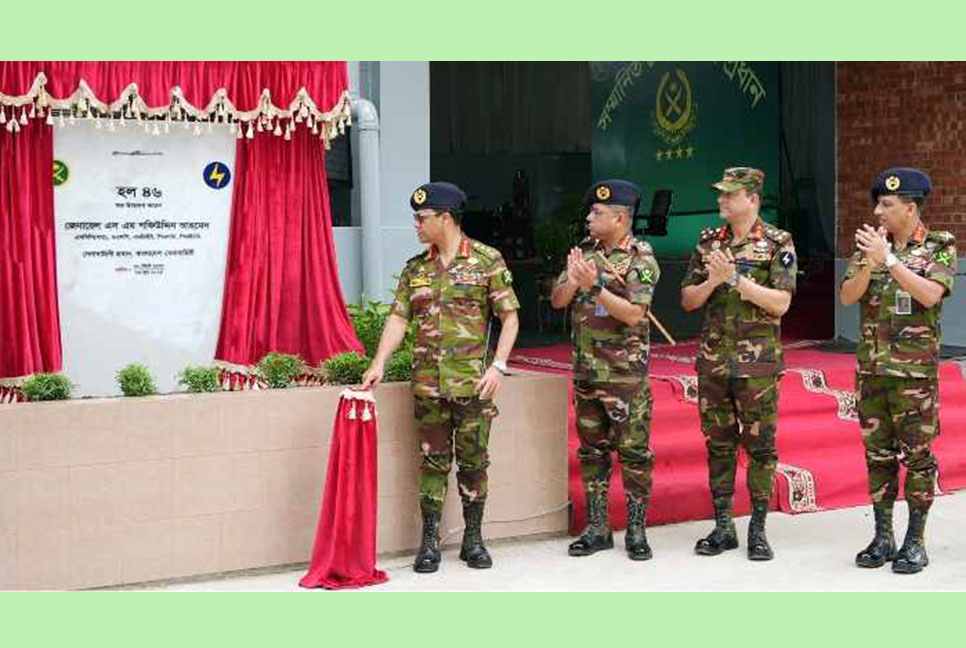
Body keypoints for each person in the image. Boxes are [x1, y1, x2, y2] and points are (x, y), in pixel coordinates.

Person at [361, 182, 520, 573]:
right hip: (428, 385)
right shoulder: (415, 269)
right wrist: (379, 361)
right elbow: (399, 318)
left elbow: (510, 317)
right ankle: (429, 541)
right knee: (432, 463)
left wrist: (498, 365)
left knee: (474, 463)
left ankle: (473, 539)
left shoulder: (487, 260)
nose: (416, 224)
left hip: (473, 386)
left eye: (422, 218)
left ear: (445, 218)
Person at [840, 167, 956, 574]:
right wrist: (871, 264)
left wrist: (889, 261)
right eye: (878, 203)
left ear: (910, 208)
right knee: (878, 457)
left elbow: (929, 294)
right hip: (871, 372)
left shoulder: (940, 247)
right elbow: (847, 294)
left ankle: (915, 541)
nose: (878, 211)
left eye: (886, 205)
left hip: (914, 379)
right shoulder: (871, 247)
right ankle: (883, 536)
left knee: (919, 458)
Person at [680, 167, 797, 561]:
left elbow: (781, 304)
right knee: (718, 446)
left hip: (758, 366)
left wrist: (735, 280)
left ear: (753, 199)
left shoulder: (778, 242)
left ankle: (759, 529)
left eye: (730, 195)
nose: (721, 201)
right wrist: (713, 280)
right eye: (720, 194)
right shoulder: (708, 242)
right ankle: (723, 526)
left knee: (761, 449)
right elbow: (689, 301)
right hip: (714, 362)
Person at [551, 179, 660, 561]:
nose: (588, 217)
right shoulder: (584, 252)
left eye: (596, 213)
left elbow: (633, 315)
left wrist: (595, 287)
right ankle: (597, 528)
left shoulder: (641, 260)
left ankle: (636, 529)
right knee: (592, 453)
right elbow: (558, 299)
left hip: (624, 375)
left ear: (619, 217)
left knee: (634, 454)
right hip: (586, 371)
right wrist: (573, 280)